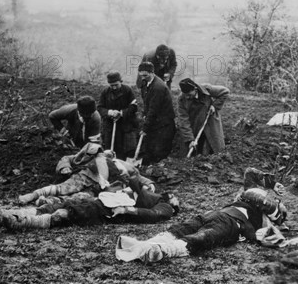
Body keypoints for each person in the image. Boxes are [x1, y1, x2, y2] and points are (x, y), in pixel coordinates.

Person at [115, 167, 287, 263]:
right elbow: (250, 173)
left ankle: (160, 250)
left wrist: (274, 211)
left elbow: (262, 207)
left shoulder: (266, 221)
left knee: (200, 238)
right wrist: (273, 183)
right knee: (181, 229)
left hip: (232, 223)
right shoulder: (253, 197)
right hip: (219, 214)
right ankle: (143, 245)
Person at [0, 175, 179, 230]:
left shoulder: (165, 206)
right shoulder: (153, 194)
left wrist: (128, 209)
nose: (176, 197)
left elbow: (153, 215)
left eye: (178, 199)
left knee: (65, 214)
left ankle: (19, 222)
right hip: (103, 200)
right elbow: (136, 182)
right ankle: (5, 213)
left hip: (109, 210)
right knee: (56, 206)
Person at [17, 142, 141, 205]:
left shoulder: (118, 163)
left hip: (102, 189)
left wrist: (147, 182)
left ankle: (49, 202)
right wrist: (64, 168)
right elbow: (67, 159)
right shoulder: (86, 157)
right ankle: (32, 195)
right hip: (84, 176)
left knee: (80, 198)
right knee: (62, 188)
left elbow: (135, 173)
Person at [178, 78, 230, 156]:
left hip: (210, 122)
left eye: (189, 94)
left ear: (195, 89)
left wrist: (215, 106)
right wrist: (190, 139)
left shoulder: (206, 89)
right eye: (185, 95)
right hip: (194, 125)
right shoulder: (181, 99)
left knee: (216, 150)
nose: (187, 97)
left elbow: (225, 92)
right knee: (194, 152)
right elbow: (183, 120)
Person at [137, 62, 176, 163]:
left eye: (145, 75)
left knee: (159, 152)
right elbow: (147, 103)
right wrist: (144, 115)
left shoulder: (158, 87)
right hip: (155, 121)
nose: (143, 78)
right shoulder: (147, 83)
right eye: (141, 76)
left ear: (152, 72)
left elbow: (153, 110)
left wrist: (145, 128)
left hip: (164, 124)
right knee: (149, 149)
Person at [97, 71, 139, 159]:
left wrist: (121, 113)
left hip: (125, 124)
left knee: (126, 149)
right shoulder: (105, 92)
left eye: (116, 84)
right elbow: (100, 107)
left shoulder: (127, 90)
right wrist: (109, 112)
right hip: (110, 124)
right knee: (109, 148)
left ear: (121, 81)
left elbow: (134, 107)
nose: (114, 87)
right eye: (112, 85)